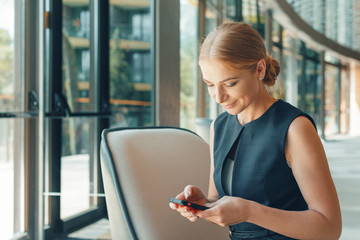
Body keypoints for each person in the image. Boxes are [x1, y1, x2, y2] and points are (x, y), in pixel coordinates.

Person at [169, 22, 342, 240]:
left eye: (230, 83)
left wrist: (250, 211)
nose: (218, 97)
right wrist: (204, 204)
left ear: (259, 69)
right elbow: (218, 198)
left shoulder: (295, 127)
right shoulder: (219, 127)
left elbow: (329, 228)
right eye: (210, 84)